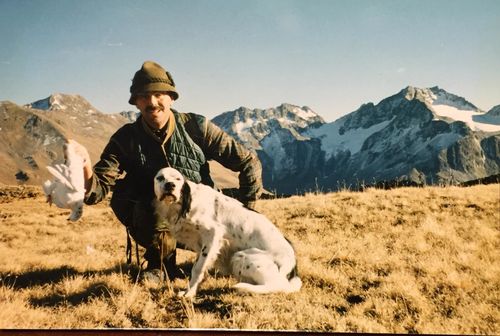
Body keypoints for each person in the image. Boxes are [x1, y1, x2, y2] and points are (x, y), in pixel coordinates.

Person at [76, 61, 263, 282]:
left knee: (239, 261)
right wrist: (85, 165)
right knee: (146, 203)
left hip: (202, 217)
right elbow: (96, 191)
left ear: (171, 97)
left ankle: (218, 253)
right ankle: (161, 265)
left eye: (159, 94)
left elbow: (249, 162)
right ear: (136, 102)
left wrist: (248, 215)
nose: (152, 102)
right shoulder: (125, 139)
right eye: (144, 96)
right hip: (153, 221)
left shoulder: (197, 128)